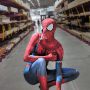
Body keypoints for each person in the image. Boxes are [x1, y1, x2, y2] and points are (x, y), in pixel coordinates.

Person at [24, 18, 64, 90]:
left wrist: (58, 88)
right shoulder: (36, 37)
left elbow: (59, 73)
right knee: (41, 61)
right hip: (30, 73)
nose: (45, 30)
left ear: (54, 29)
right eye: (44, 27)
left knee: (74, 73)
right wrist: (48, 57)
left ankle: (48, 83)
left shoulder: (58, 47)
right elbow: (25, 58)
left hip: (44, 73)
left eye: (49, 27)